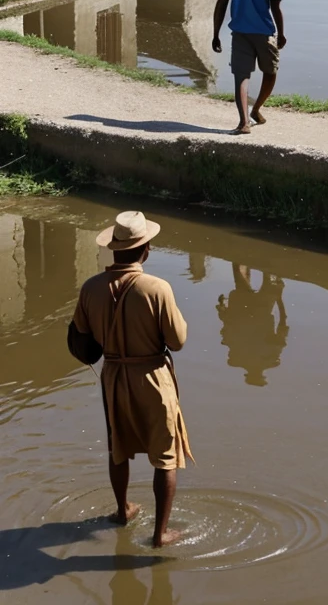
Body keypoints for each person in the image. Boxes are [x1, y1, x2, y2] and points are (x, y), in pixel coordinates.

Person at [67, 211, 192, 548]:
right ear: (146, 249)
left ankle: (122, 511)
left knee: (117, 447)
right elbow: (177, 341)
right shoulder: (157, 288)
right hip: (152, 376)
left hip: (113, 376)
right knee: (165, 456)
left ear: (113, 248)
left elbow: (81, 335)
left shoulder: (90, 288)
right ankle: (159, 535)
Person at [212, 0, 286, 134]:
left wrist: (215, 33)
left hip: (240, 32)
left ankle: (244, 122)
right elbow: (275, 4)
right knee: (270, 72)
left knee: (241, 77)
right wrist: (281, 33)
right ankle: (257, 109)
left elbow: (221, 3)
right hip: (264, 31)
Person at [216, 264, 289, 387]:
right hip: (252, 308)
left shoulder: (238, 357)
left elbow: (282, 329)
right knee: (246, 280)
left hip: (256, 308)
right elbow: (227, 328)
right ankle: (242, 259)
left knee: (264, 278)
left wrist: (279, 300)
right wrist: (222, 308)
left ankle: (243, 259)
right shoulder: (238, 357)